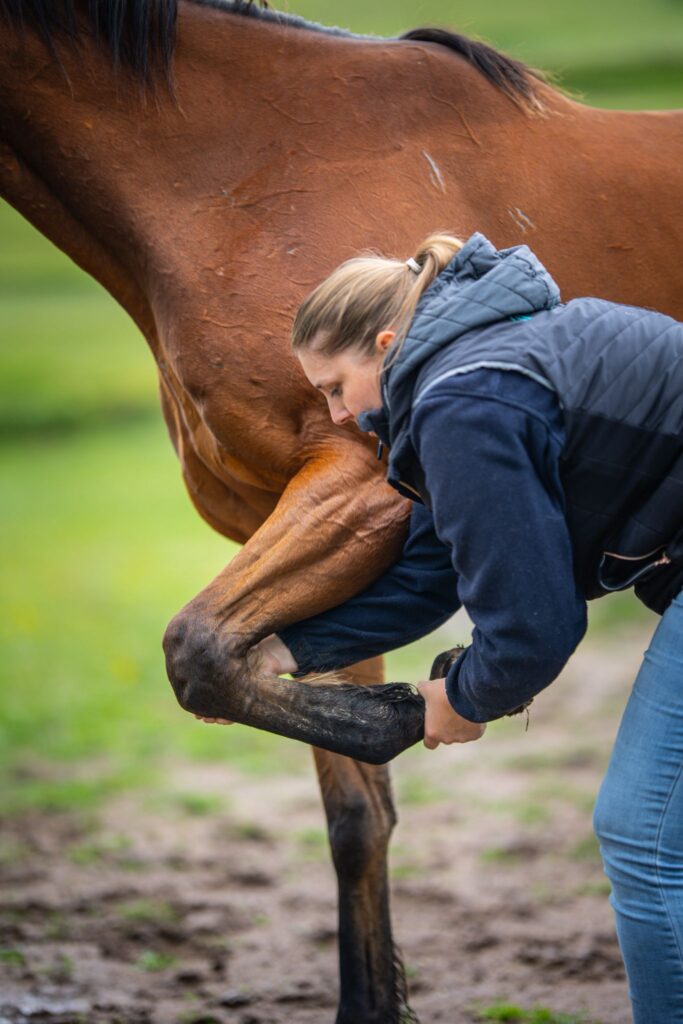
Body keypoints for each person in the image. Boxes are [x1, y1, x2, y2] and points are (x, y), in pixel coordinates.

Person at [202, 230, 683, 1023]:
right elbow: (434, 573)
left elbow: (533, 629)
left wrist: (457, 701)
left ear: (385, 344)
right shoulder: (472, 371)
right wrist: (275, 655)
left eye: (333, 388)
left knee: (640, 834)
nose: (336, 417)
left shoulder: (463, 401)